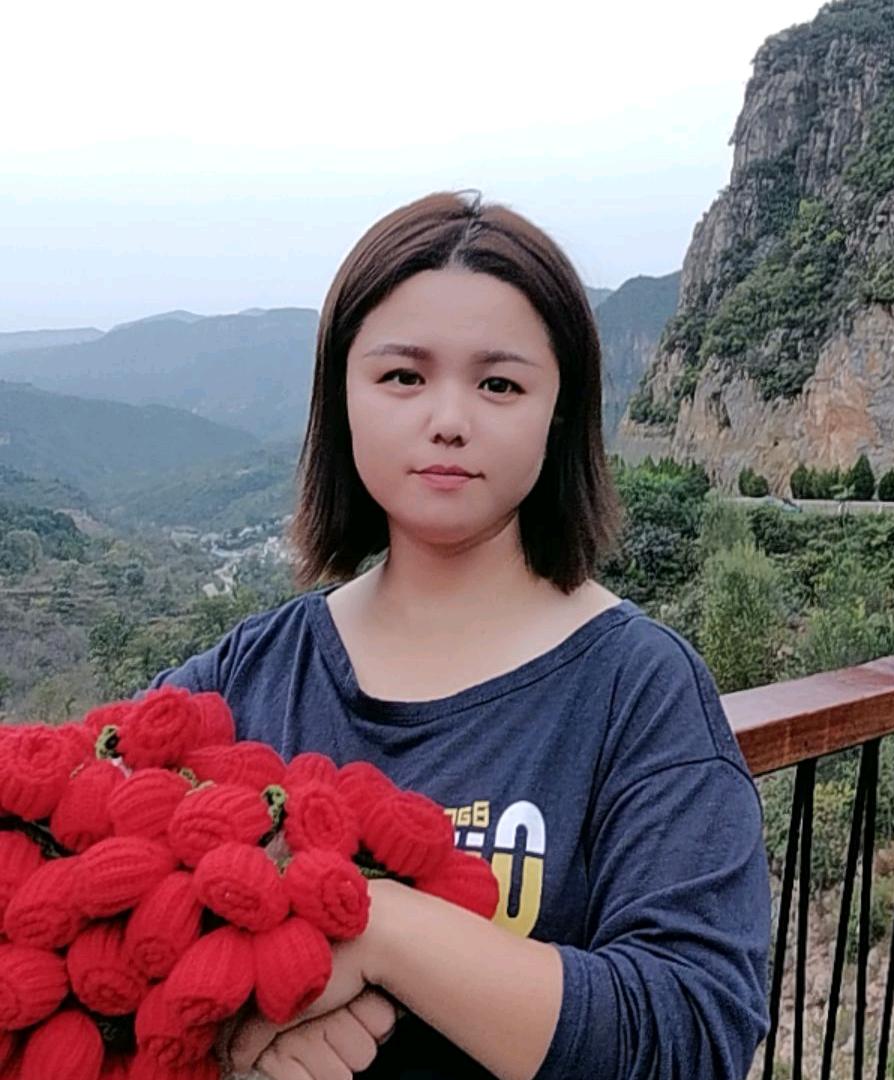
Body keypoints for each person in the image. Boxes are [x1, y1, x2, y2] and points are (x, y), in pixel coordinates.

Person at [143, 190, 772, 1079]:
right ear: (343, 399)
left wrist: (378, 930)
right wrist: (241, 1028)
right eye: (403, 376)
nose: (448, 417)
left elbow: (694, 1030)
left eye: (499, 383)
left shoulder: (638, 688)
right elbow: (78, 898)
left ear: (560, 413)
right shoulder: (249, 674)